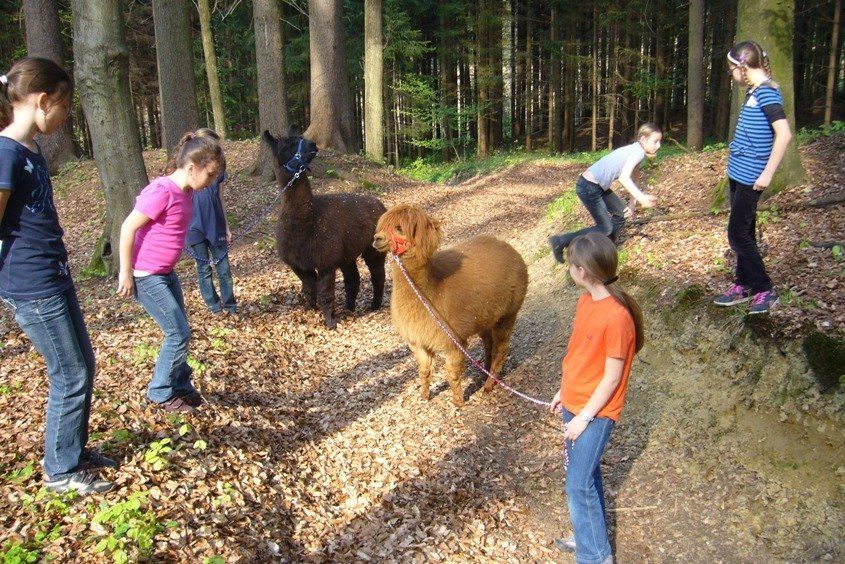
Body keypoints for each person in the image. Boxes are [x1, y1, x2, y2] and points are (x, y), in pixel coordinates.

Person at [0, 57, 115, 494]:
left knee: (82, 365)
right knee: (69, 374)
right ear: (43, 100)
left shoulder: (30, 149)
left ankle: (72, 450)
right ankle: (60, 471)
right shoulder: (6, 152)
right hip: (31, 285)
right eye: (65, 106)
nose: (66, 116)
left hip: (54, 275)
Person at [548, 232, 644, 564]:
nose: (569, 270)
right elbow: (579, 354)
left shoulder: (617, 317)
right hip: (575, 403)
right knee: (586, 476)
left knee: (577, 485)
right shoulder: (585, 301)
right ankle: (589, 535)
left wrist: (584, 417)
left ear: (583, 271)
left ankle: (596, 556)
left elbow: (612, 376)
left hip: (596, 412)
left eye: (571, 264)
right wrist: (564, 391)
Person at [117, 131, 224, 413]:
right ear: (192, 168)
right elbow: (128, 227)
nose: (211, 181)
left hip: (166, 272)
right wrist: (125, 272)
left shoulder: (186, 191)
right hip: (146, 275)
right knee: (177, 333)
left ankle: (179, 383)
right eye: (210, 175)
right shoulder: (162, 191)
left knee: (181, 329)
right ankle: (160, 391)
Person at [713, 41, 792, 315]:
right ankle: (743, 283)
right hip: (738, 174)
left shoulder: (768, 94)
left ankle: (764, 288)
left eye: (731, 68)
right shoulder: (753, 91)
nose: (731, 74)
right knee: (744, 231)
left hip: (752, 178)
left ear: (742, 67)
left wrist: (767, 174)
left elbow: (784, 134)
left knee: (736, 234)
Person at [548, 124, 662, 262]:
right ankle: (560, 241)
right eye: (655, 141)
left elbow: (635, 179)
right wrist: (642, 198)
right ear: (643, 139)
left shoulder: (637, 151)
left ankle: (607, 249)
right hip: (589, 186)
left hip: (597, 186)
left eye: (659, 142)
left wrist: (632, 204)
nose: (659, 145)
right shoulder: (637, 152)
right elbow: (624, 177)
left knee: (621, 213)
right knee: (605, 228)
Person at [184, 128, 236, 315]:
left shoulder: (218, 173)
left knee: (224, 269)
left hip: (216, 225)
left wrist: (227, 227)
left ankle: (230, 305)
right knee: (204, 269)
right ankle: (213, 306)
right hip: (194, 227)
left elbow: (220, 199)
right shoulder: (189, 171)